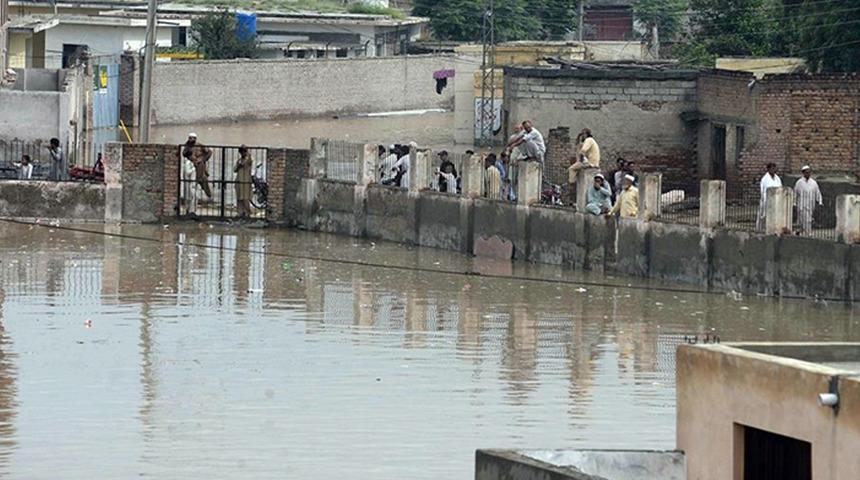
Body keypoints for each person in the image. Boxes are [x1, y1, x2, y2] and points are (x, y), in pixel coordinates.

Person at [568, 128, 601, 200]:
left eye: (582, 134)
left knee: (571, 169)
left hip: (590, 163)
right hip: (592, 162)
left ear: (586, 134)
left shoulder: (589, 140)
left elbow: (583, 151)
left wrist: (580, 161)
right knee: (575, 168)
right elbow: (579, 147)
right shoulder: (590, 141)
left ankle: (572, 183)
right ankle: (573, 181)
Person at [794, 165, 823, 235]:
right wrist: (794, 203)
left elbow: (817, 192)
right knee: (805, 219)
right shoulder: (799, 182)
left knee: (807, 219)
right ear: (803, 173)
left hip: (810, 204)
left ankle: (799, 230)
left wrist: (820, 201)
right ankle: (808, 233)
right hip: (801, 204)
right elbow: (795, 194)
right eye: (806, 172)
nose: (808, 174)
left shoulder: (813, 182)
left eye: (809, 172)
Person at [183, 133, 213, 199]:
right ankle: (191, 199)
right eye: (190, 138)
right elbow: (184, 154)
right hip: (191, 166)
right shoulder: (187, 146)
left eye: (193, 138)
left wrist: (202, 159)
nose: (191, 139)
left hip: (200, 165)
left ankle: (209, 195)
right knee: (191, 184)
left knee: (202, 180)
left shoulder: (199, 145)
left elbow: (209, 152)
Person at [757, 162, 782, 231]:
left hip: (776, 201)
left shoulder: (777, 178)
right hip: (767, 200)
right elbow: (763, 191)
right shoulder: (764, 179)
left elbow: (780, 188)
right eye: (772, 168)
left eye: (774, 168)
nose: (773, 170)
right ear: (768, 169)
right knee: (765, 217)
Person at [234, 145, 253, 219]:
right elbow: (235, 169)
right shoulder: (239, 160)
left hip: (246, 181)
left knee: (245, 198)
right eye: (241, 152)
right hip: (239, 180)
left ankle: (247, 213)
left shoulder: (248, 159)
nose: (243, 153)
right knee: (239, 198)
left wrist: (247, 154)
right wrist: (239, 164)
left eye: (244, 151)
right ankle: (240, 213)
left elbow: (247, 161)